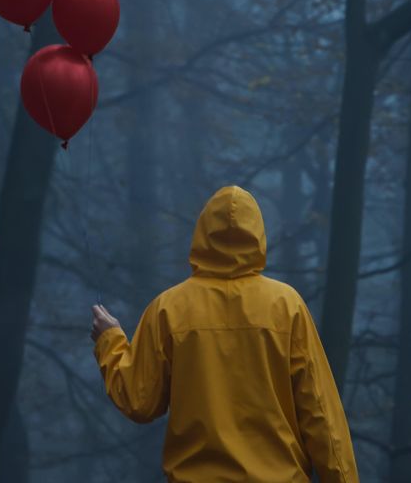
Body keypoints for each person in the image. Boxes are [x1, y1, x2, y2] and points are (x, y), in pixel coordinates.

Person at [90, 185, 359, 483]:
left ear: (203, 233)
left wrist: (110, 339)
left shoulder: (169, 309)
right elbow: (321, 414)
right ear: (257, 235)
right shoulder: (286, 306)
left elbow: (139, 401)